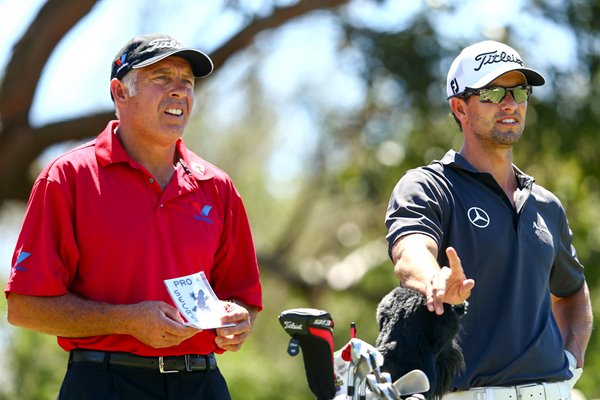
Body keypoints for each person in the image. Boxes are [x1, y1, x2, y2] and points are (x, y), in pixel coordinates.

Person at [5, 33, 262, 399]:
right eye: (162, 78)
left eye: (187, 82)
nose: (179, 91)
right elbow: (24, 308)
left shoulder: (217, 187)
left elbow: (244, 298)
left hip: (202, 384)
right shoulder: (68, 177)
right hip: (103, 383)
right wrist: (125, 321)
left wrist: (238, 322)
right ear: (120, 92)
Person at [384, 40, 592, 399]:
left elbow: (572, 292)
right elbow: (409, 251)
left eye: (519, 91)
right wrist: (435, 280)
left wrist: (571, 363)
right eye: (494, 92)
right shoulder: (428, 186)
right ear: (460, 107)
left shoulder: (546, 205)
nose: (510, 104)